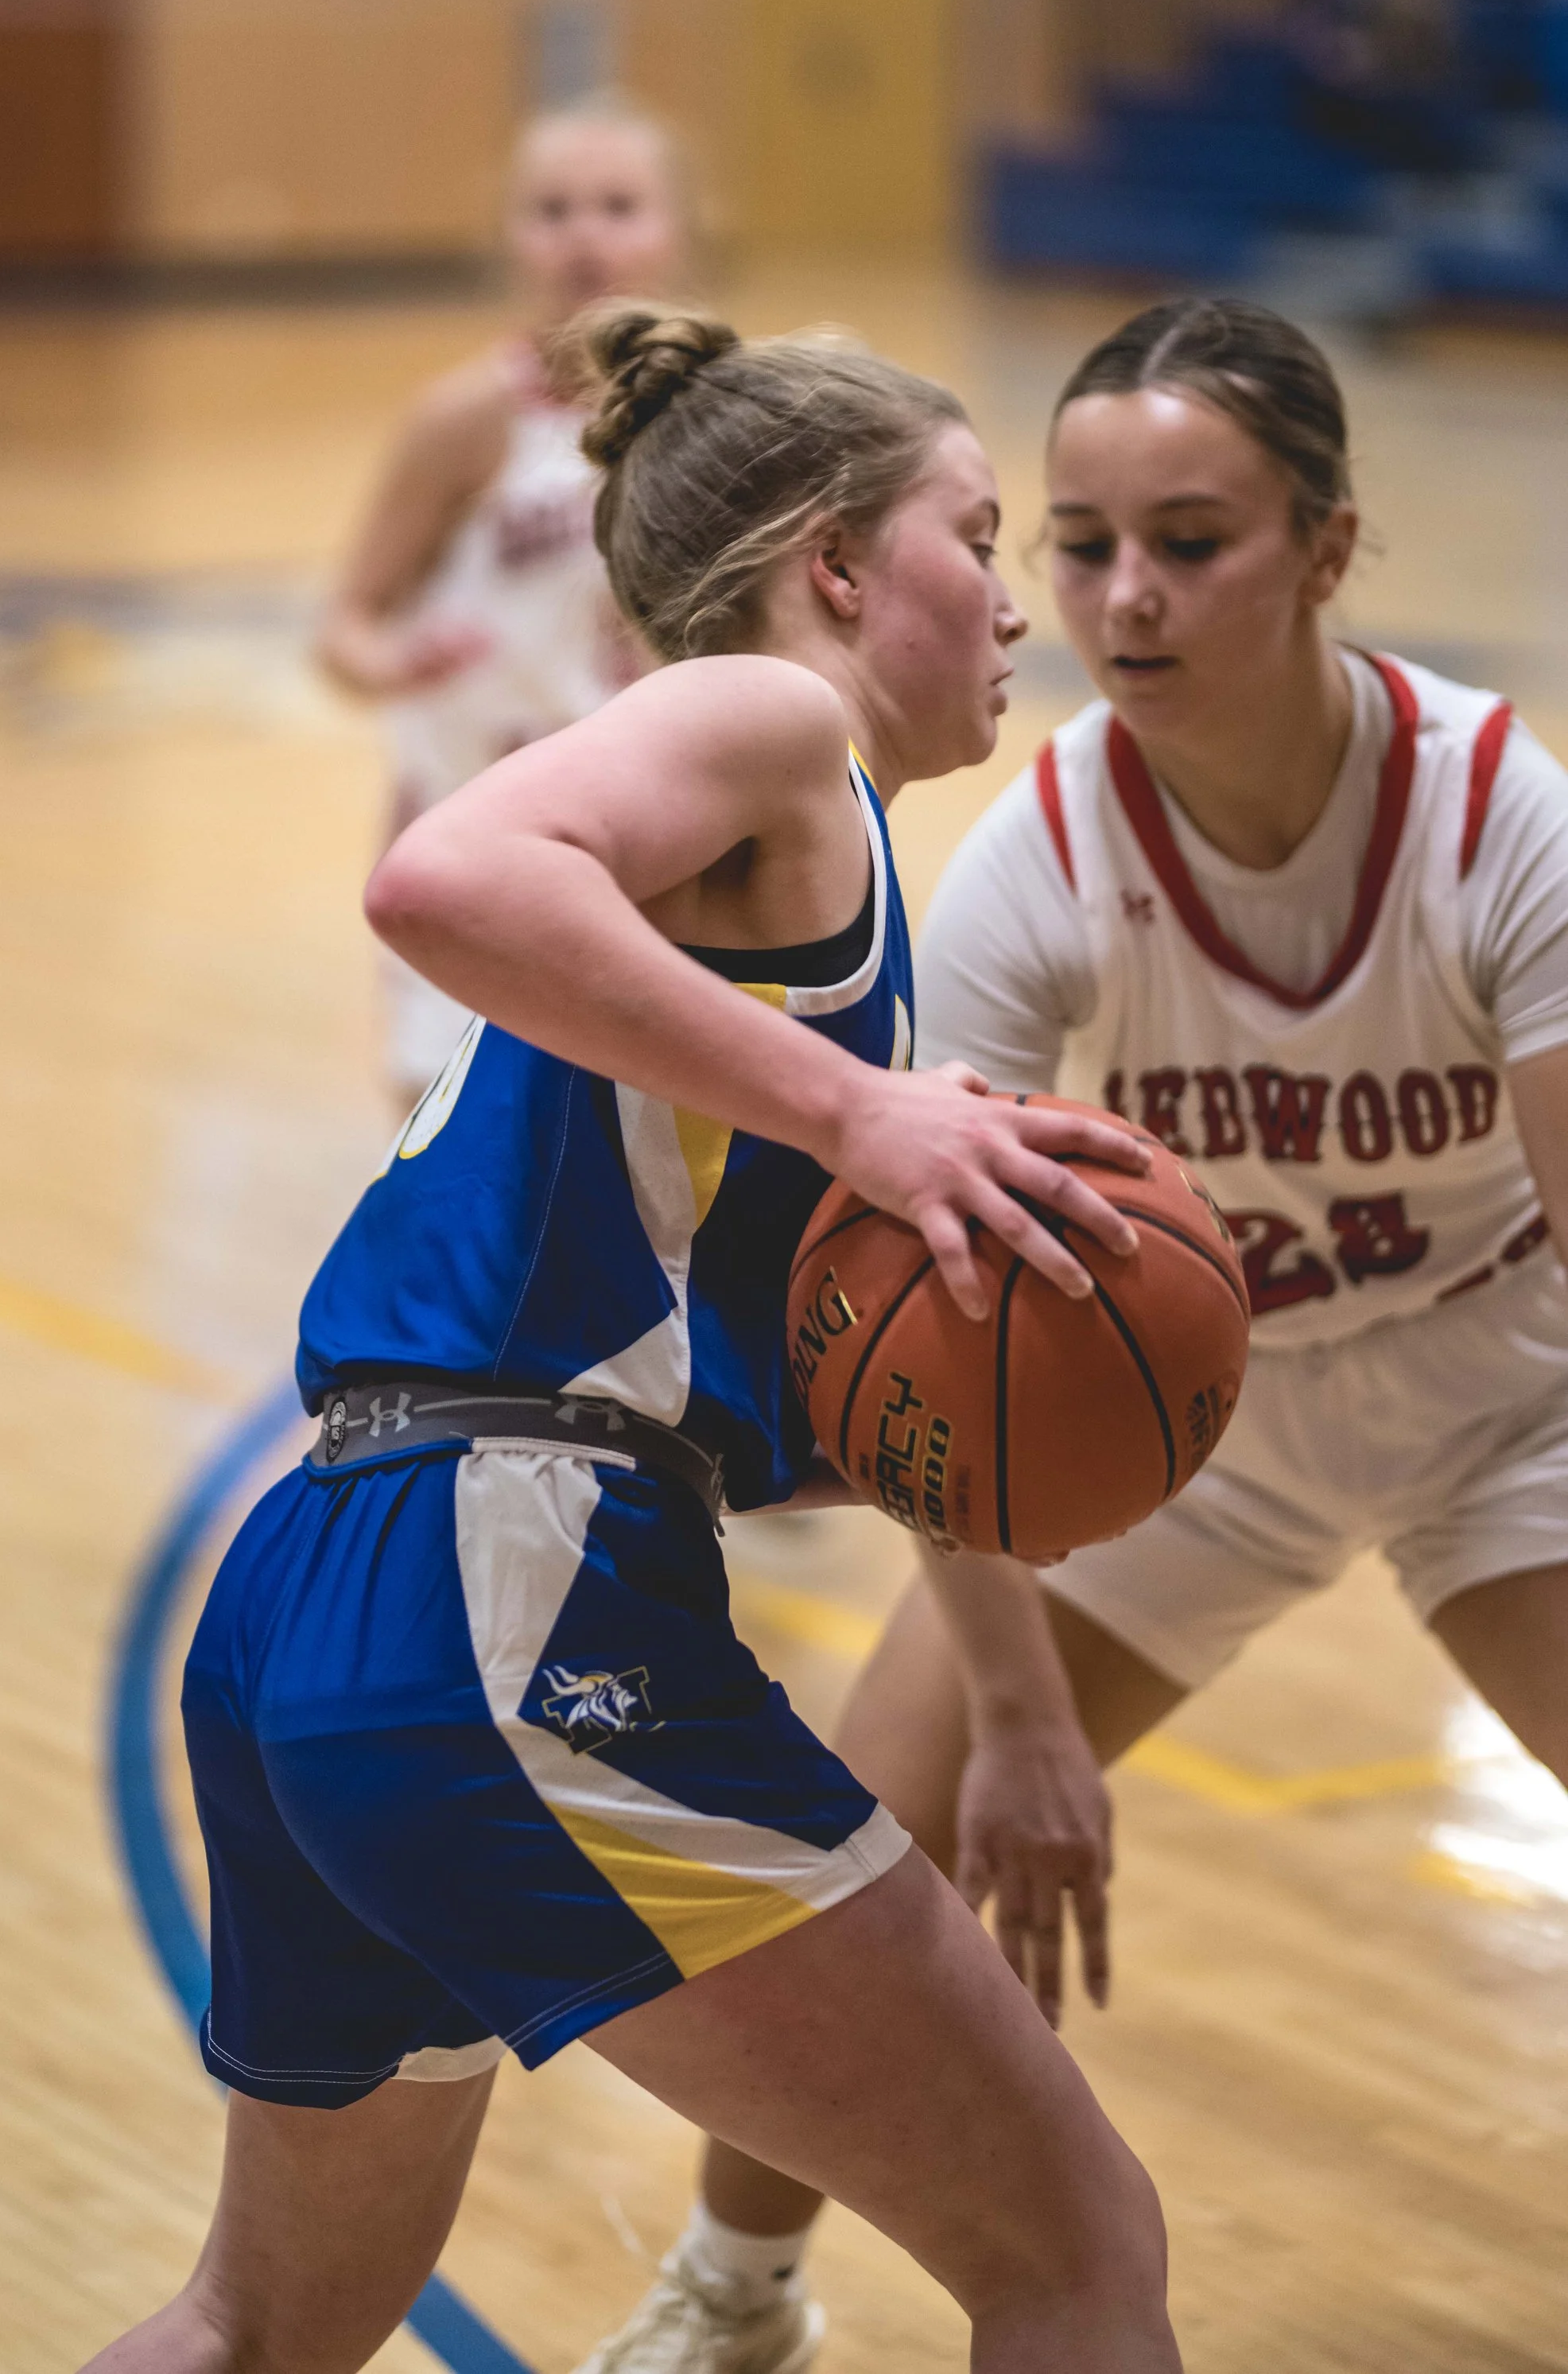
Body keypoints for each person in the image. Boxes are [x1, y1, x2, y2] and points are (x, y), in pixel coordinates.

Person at [80, 306, 1184, 2374]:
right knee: (1077, 2244)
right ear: (840, 564)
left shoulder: (779, 897)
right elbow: (443, 868)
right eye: (977, 528)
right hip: (508, 1583)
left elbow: (855, 1406)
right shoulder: (774, 717)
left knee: (257, 2322)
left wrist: (1020, 1699)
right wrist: (864, 1109)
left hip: (331, 1581)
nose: (1015, 593)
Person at [593, 294, 1568, 2374]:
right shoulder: (1036, 861)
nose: (1126, 595)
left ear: (1323, 545)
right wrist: (1025, 1716)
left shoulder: (1495, 807)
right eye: (1078, 540)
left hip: (1502, 1386)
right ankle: (733, 2285)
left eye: (1192, 538)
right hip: (1179, 1428)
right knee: (866, 1842)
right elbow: (926, 1329)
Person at [316, 98, 689, 1106]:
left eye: (618, 205)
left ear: (676, 230)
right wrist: (388, 662)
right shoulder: (465, 422)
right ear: (509, 240)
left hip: (640, 849)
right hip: (467, 837)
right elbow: (346, 621)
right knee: (448, 1158)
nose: (585, 234)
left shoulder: (713, 425)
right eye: (552, 209)